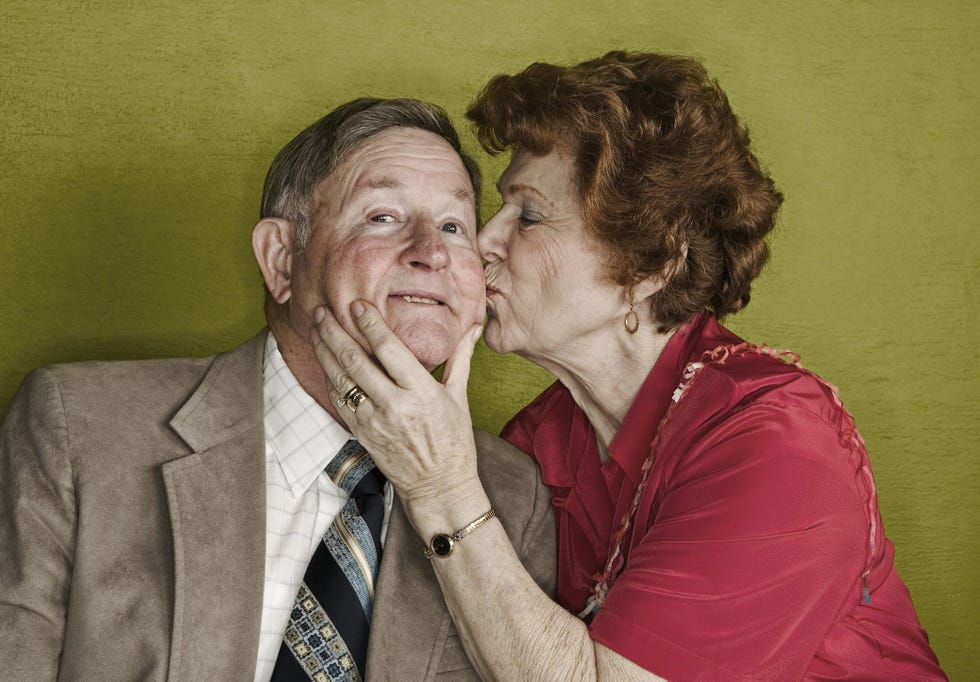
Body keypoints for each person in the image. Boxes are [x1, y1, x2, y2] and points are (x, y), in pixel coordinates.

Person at [309, 52, 946, 680]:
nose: (481, 243)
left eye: (527, 215)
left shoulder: (778, 445)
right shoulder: (540, 439)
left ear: (649, 266)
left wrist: (440, 487)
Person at [0, 97, 555, 681]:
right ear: (281, 259)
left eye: (453, 226)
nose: (432, 252)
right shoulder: (79, 427)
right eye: (383, 216)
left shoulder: (513, 500)